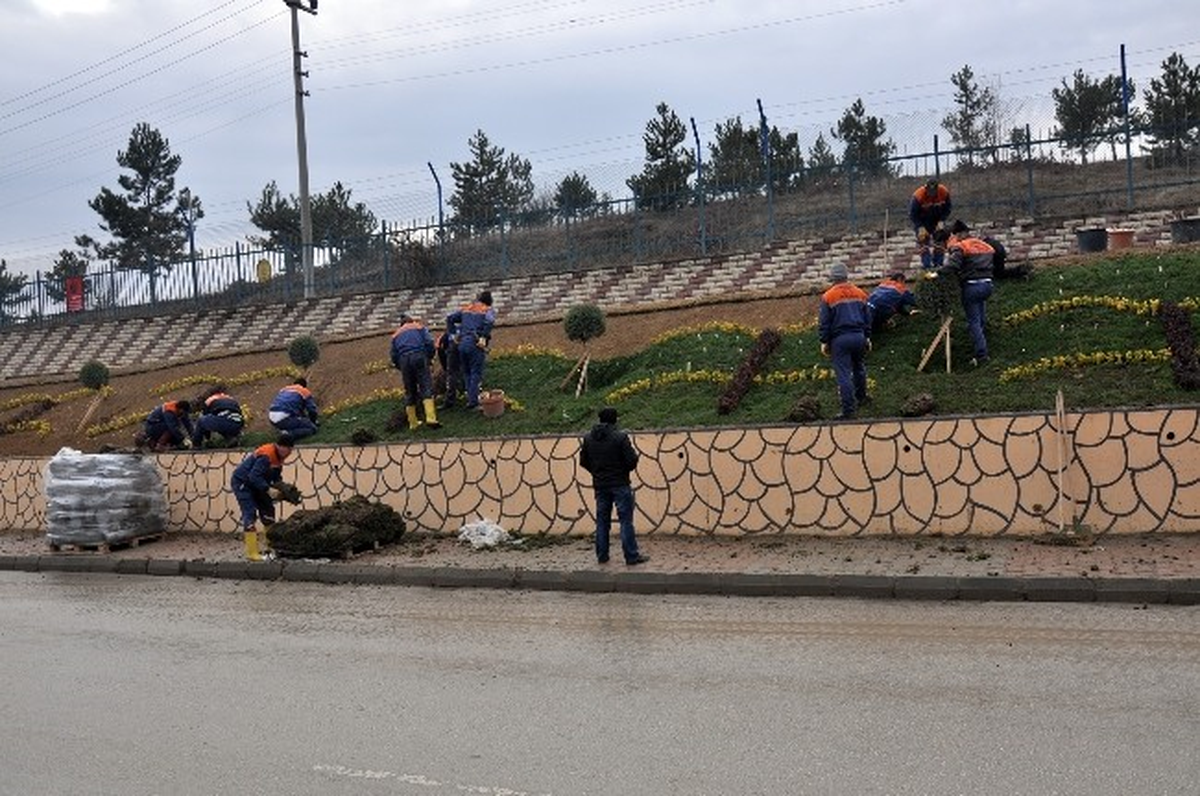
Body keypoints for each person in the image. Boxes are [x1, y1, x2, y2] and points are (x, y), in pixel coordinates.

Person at [579, 407, 649, 566]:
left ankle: (602, 556)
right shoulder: (620, 437)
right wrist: (623, 470)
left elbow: (583, 461)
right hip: (620, 484)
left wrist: (596, 472)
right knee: (625, 520)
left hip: (600, 485)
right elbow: (631, 460)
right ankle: (631, 556)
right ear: (614, 419)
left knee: (602, 521)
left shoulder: (589, 438)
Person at [230, 431, 296, 561]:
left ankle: (270, 548)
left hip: (258, 484)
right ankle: (252, 553)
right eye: (287, 449)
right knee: (250, 513)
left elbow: (276, 478)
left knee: (268, 512)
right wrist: (268, 490)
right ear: (280, 446)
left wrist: (285, 491)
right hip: (243, 483)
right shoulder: (266, 455)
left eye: (291, 450)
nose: (289, 453)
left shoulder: (280, 457)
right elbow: (253, 476)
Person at [818, 263, 872, 420]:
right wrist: (867, 336)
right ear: (846, 276)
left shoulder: (828, 296)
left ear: (833, 279)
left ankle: (848, 410)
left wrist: (824, 341)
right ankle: (862, 397)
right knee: (859, 367)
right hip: (859, 337)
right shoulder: (860, 293)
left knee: (843, 375)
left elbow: (824, 322)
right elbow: (868, 318)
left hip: (840, 340)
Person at [939, 220, 996, 366]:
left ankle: (981, 355)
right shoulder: (984, 245)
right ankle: (983, 340)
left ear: (958, 234)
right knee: (980, 317)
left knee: (974, 322)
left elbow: (953, 265)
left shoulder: (960, 246)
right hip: (988, 285)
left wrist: (938, 273)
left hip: (971, 287)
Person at [445, 290, 497, 410]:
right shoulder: (487, 310)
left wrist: (453, 336)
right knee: (475, 372)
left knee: (467, 372)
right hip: (475, 343)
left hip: (462, 344)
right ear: (489, 301)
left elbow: (449, 318)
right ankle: (474, 401)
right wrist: (483, 336)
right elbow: (489, 321)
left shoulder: (467, 308)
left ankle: (471, 400)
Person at [390, 313, 441, 430]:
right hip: (419, 356)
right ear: (411, 321)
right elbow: (429, 343)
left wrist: (401, 366)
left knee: (410, 391)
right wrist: (429, 358)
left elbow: (393, 355)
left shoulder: (396, 335)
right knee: (426, 386)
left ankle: (413, 423)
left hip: (404, 360)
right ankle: (431, 418)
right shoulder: (419, 328)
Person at [909, 178, 952, 269]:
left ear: (937, 188)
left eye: (934, 191)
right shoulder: (918, 196)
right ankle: (927, 266)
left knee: (940, 241)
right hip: (922, 221)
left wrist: (942, 221)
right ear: (926, 188)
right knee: (923, 242)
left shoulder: (944, 192)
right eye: (929, 191)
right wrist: (920, 226)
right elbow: (912, 214)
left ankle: (939, 264)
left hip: (937, 220)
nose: (931, 194)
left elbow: (948, 209)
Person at [268, 377, 319, 441]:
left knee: (298, 420)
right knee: (312, 428)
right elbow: (312, 410)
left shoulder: (284, 389)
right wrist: (313, 421)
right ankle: (287, 434)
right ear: (304, 386)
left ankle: (284, 429)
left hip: (272, 416)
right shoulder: (304, 391)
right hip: (284, 416)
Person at [436, 326, 464, 410]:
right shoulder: (469, 328)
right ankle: (470, 394)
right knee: (468, 372)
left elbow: (440, 349)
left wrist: (446, 368)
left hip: (453, 352)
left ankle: (450, 400)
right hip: (465, 349)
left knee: (452, 375)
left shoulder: (446, 335)